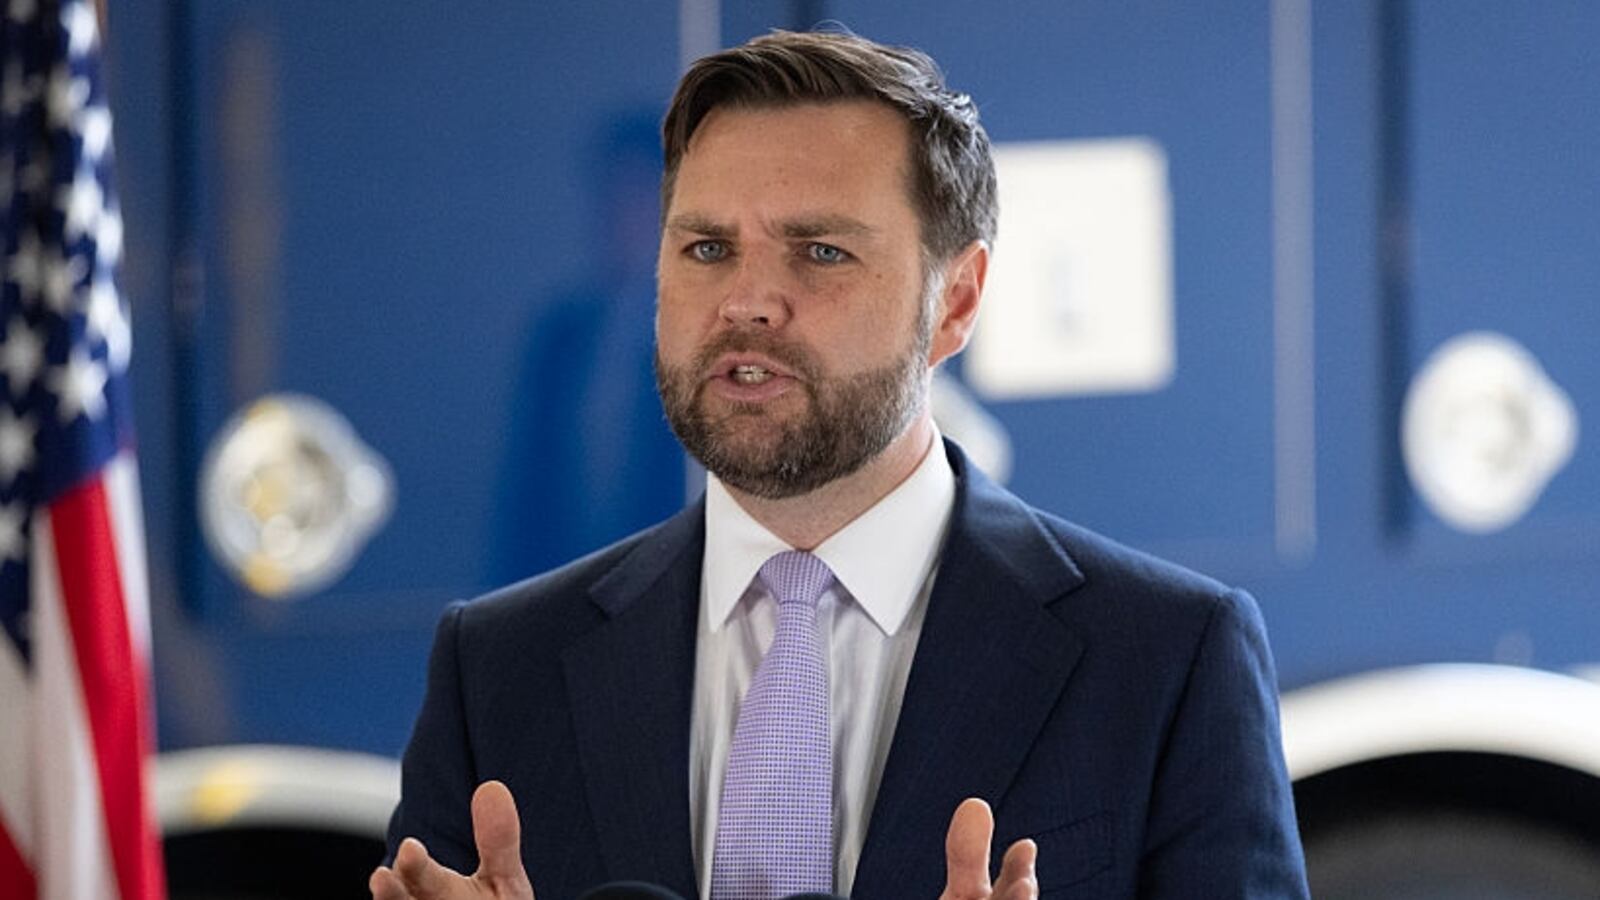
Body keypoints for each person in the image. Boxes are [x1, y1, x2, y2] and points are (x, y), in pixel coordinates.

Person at [371, 29, 1309, 900]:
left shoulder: (1169, 660)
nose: (747, 303)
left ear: (957, 300)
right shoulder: (496, 670)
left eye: (820, 252)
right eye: (706, 248)